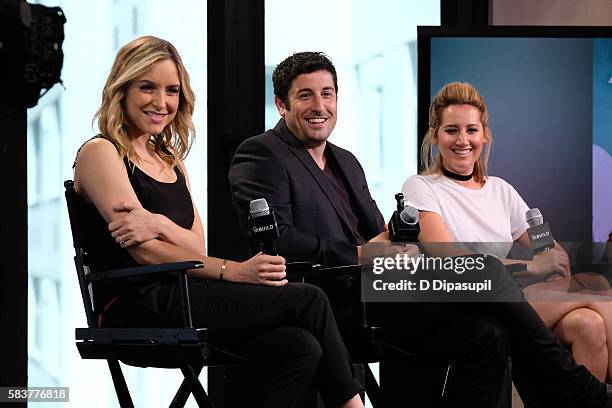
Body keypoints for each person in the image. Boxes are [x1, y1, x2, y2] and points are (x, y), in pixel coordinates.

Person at [229, 52, 612, 407]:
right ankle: (573, 388)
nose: (319, 106)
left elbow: (382, 230)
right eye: (305, 96)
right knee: (491, 273)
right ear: (281, 104)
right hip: (333, 297)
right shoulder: (262, 152)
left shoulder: (346, 160)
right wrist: (364, 254)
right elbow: (279, 242)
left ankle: (572, 388)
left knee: (490, 333)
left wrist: (397, 243)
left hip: (389, 286)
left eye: (327, 94)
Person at [73, 36, 364, 408]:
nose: (161, 102)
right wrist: (236, 272)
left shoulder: (168, 160)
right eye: (147, 87)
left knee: (300, 345)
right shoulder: (101, 152)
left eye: (172, 90)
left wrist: (158, 222)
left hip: (183, 295)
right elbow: (145, 254)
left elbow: (194, 249)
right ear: (122, 89)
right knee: (309, 299)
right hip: (135, 303)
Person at [402, 82, 612, 397]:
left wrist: (549, 253)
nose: (463, 140)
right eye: (451, 130)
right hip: (472, 306)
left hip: (516, 300)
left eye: (471, 130)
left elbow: (547, 246)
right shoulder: (421, 187)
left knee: (588, 323)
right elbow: (454, 263)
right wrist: (531, 267)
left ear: (484, 135)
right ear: (435, 135)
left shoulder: (501, 189)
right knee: (597, 291)